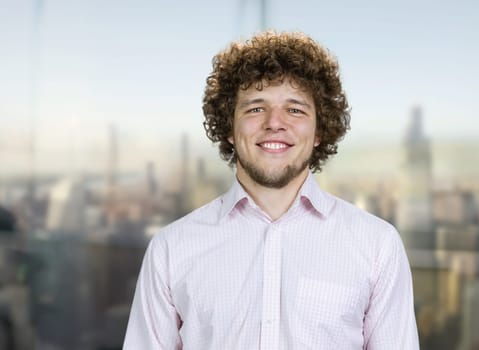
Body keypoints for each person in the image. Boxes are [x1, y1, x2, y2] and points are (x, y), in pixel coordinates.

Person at [123, 31, 419, 349]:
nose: (274, 123)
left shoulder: (377, 246)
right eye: (255, 109)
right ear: (230, 130)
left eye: (295, 110)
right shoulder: (171, 249)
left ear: (319, 131)